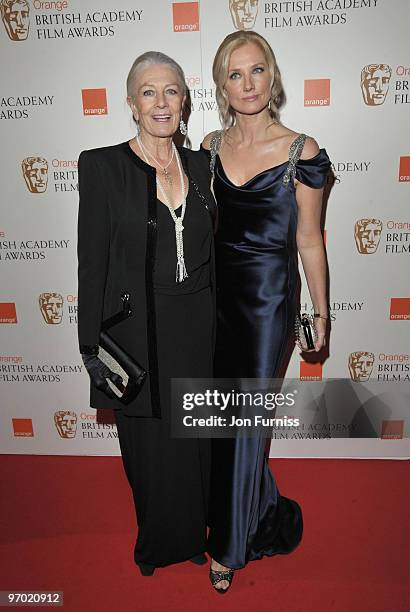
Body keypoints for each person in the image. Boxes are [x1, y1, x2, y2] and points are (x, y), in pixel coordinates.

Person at [77, 51, 216, 576]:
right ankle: (158, 540)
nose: (162, 103)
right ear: (132, 104)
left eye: (172, 91)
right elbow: (90, 263)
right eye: (149, 92)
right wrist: (91, 345)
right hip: (137, 329)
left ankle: (197, 530)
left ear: (185, 99)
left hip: (199, 321)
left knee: (197, 436)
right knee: (150, 445)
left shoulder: (204, 165)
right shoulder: (103, 166)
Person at [202, 31, 331, 593]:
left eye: (257, 71)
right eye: (235, 74)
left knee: (245, 423)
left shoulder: (300, 151)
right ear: (221, 85)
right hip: (213, 303)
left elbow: (309, 238)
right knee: (220, 420)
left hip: (267, 307)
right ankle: (256, 505)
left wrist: (320, 313)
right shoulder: (207, 146)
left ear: (272, 77)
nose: (247, 84)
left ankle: (229, 548)